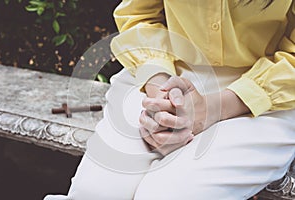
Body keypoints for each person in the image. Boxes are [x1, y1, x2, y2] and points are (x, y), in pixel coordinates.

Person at [44, 0, 295, 199]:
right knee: (96, 193)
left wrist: (209, 109)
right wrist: (164, 96)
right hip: (168, 70)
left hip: (270, 94)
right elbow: (139, 16)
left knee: (168, 195)